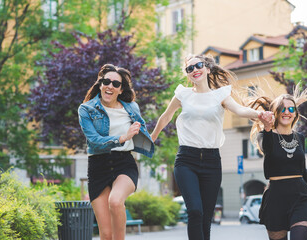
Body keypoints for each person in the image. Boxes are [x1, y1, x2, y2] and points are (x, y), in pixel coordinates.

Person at [151, 54, 267, 240]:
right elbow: (165, 117)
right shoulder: (183, 94)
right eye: (190, 68)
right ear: (187, 74)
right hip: (186, 160)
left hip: (212, 161)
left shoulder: (220, 95)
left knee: (206, 217)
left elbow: (240, 110)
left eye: (198, 66)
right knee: (195, 211)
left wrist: (259, 115)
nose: (194, 70)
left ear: (207, 68)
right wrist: (152, 137)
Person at [78, 64, 154, 240]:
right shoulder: (87, 109)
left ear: (121, 89)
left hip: (124, 164)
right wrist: (123, 137)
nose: (110, 86)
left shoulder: (132, 107)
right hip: (98, 166)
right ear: (100, 84)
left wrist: (146, 137)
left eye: (115, 84)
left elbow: (142, 131)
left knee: (115, 200)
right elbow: (94, 141)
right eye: (106, 81)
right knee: (106, 233)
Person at [249, 85, 307, 240]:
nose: (287, 112)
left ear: (296, 113)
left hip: (300, 196)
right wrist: (266, 127)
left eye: (291, 109)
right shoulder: (265, 136)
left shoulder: (300, 137)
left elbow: (301, 169)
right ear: (275, 113)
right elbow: (267, 149)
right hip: (275, 199)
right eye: (283, 109)